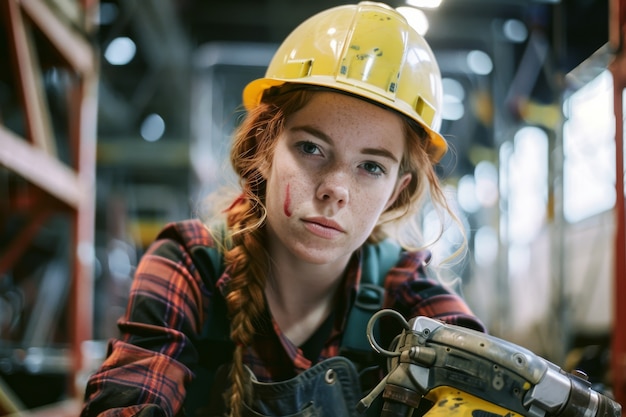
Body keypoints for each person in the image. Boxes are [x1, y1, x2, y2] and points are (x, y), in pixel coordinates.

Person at [81, 2, 486, 416]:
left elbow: (483, 379)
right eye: (311, 148)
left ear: (397, 192)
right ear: (263, 150)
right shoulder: (190, 264)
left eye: (371, 166)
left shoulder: (404, 293)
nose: (335, 190)